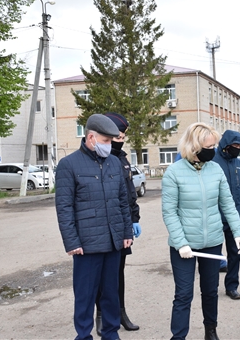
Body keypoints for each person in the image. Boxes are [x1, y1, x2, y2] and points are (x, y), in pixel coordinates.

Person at [161, 122, 240, 340]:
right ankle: (178, 336)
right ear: (195, 146)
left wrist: (238, 231)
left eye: (215, 145)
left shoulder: (215, 169)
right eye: (210, 146)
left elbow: (227, 202)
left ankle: (211, 331)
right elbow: (169, 212)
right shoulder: (174, 173)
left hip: (212, 242)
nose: (214, 150)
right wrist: (181, 243)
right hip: (184, 247)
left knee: (210, 292)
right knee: (183, 295)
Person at [55, 114, 133, 340]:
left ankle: (111, 334)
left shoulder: (114, 163)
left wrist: (126, 232)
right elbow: (64, 208)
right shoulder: (69, 165)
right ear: (91, 137)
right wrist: (72, 242)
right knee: (85, 296)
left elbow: (122, 201)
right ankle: (83, 336)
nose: (111, 145)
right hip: (86, 246)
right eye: (107, 141)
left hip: (113, 242)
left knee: (111, 294)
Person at [93, 112, 141, 336]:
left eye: (123, 137)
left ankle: (120, 312)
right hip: (101, 228)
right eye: (117, 136)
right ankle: (101, 313)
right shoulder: (97, 158)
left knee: (118, 272)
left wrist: (134, 219)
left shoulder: (121, 159)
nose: (120, 141)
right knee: (100, 275)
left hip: (122, 227)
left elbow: (129, 194)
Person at [212, 130, 240, 300]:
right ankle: (211, 286)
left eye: (239, 146)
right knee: (214, 254)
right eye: (234, 145)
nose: (237, 149)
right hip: (215, 216)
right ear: (226, 145)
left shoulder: (238, 163)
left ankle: (232, 286)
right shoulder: (213, 161)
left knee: (236, 252)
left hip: (234, 217)